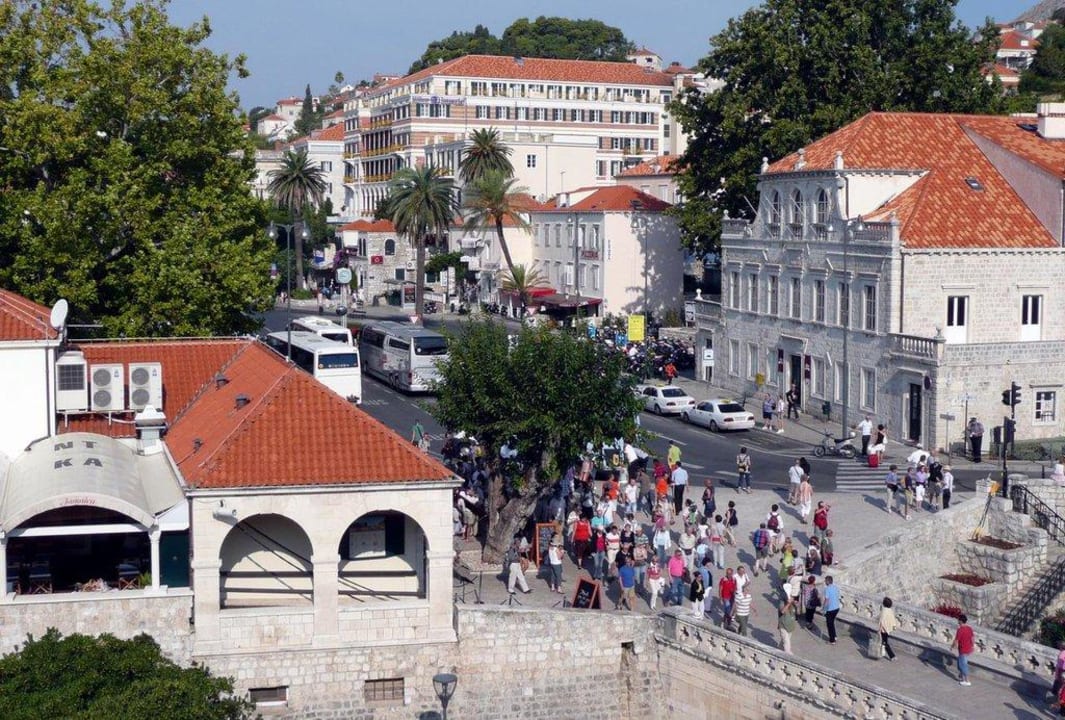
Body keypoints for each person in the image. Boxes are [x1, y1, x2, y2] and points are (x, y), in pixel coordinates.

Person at [952, 613, 975, 686]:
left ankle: (967, 681)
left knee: (963, 665)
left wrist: (952, 646)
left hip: (963, 650)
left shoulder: (960, 630)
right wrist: (972, 646)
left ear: (961, 621)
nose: (957, 621)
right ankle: (962, 676)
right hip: (968, 649)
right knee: (960, 663)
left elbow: (956, 640)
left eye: (958, 620)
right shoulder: (969, 628)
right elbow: (972, 638)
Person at [877, 596, 897, 661]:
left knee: (884, 643)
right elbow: (892, 619)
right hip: (888, 629)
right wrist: (893, 626)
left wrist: (879, 630)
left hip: (883, 629)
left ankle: (892, 656)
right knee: (884, 642)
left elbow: (882, 621)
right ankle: (881, 653)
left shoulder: (884, 611)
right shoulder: (890, 610)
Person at [823, 575, 841, 644]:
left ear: (827, 581)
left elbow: (827, 600)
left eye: (825, 581)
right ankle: (834, 636)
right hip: (836, 608)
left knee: (829, 624)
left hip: (830, 609)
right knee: (832, 623)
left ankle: (832, 640)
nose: (824, 582)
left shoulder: (827, 589)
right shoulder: (835, 587)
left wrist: (824, 608)